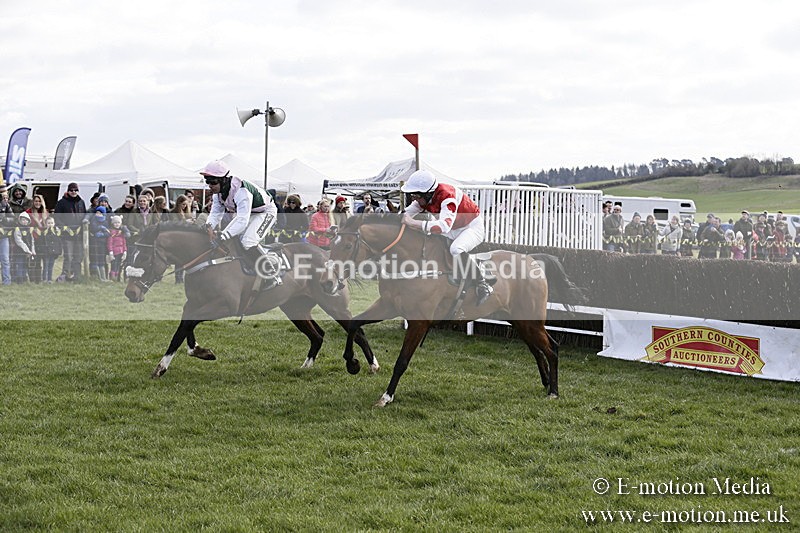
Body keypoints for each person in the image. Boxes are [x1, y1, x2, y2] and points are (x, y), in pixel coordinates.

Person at [400, 169, 494, 305]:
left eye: (416, 195)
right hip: (453, 228)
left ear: (427, 193)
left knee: (456, 249)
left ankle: (482, 283)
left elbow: (444, 227)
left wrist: (413, 223)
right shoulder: (424, 198)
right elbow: (404, 214)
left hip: (471, 227)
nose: (414, 198)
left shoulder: (447, 196)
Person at [200, 159, 278, 276]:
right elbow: (215, 213)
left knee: (248, 241)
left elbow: (242, 221)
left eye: (213, 182)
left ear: (224, 180)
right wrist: (208, 226)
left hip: (266, 212)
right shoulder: (218, 193)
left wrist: (222, 237)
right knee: (231, 240)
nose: (210, 186)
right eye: (208, 181)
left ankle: (270, 270)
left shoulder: (242, 191)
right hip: (248, 213)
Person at [54, 182, 87, 281]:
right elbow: (57, 217)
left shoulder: (81, 202)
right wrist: (65, 228)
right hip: (67, 235)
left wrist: (83, 225)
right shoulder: (61, 202)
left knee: (79, 256)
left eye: (75, 190)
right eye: (71, 190)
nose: (74, 192)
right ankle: (65, 276)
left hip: (79, 234)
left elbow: (84, 215)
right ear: (68, 191)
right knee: (68, 256)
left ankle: (76, 276)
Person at [25, 194, 48, 282]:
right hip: (33, 239)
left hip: (43, 240)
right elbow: (25, 225)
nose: (37, 203)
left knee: (41, 260)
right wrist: (34, 229)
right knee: (33, 259)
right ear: (33, 202)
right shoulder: (28, 212)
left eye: (39, 201)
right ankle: (32, 279)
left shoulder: (45, 213)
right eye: (36, 201)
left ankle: (40, 279)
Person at [12, 212, 36, 283]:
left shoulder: (29, 229)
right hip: (19, 251)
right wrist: (27, 250)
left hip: (27, 252)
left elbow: (32, 241)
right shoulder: (17, 229)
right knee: (20, 264)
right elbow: (19, 241)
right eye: (23, 220)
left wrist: (33, 250)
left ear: (28, 221)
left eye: (26, 220)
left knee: (25, 265)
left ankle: (24, 278)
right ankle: (19, 280)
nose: (24, 221)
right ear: (20, 220)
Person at [89, 206, 111, 281]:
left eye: (100, 212)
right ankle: (98, 277)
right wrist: (101, 228)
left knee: (102, 260)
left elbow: (108, 233)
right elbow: (93, 228)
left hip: (103, 243)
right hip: (95, 243)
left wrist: (103, 233)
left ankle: (104, 277)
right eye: (97, 212)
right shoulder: (93, 220)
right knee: (95, 260)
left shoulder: (106, 222)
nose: (98, 214)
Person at [40, 217, 63, 283]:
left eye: (52, 223)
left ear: (54, 223)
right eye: (49, 223)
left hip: (53, 252)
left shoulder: (56, 232)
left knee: (51, 265)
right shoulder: (44, 232)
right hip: (46, 252)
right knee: (46, 265)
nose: (50, 224)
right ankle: (44, 278)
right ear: (46, 224)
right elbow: (43, 241)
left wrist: (58, 251)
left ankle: (49, 279)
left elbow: (58, 242)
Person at [107, 215, 128, 282]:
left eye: (118, 223)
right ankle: (112, 277)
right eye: (115, 223)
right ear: (112, 224)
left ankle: (117, 277)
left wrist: (125, 251)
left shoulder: (121, 233)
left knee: (119, 265)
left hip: (121, 252)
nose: (117, 224)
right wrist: (110, 252)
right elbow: (109, 243)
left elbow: (124, 243)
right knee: (114, 265)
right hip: (114, 252)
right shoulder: (111, 233)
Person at [0, 183, 13, 285]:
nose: (5, 196)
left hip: (3, 236)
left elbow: (13, 219)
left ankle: (7, 281)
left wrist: (4, 219)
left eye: (6, 194)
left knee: (5, 259)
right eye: (2, 193)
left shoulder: (6, 205)